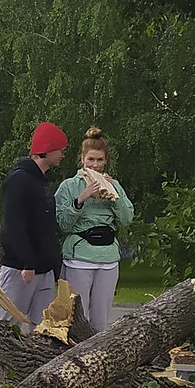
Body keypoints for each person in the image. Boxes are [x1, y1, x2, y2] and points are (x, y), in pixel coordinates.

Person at [54, 126, 134, 331]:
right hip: (79, 256)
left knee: (100, 317)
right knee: (78, 315)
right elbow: (62, 223)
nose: (95, 165)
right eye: (91, 160)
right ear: (82, 159)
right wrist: (82, 198)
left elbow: (126, 220)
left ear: (106, 160)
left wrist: (114, 195)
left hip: (108, 258)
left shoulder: (114, 184)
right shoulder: (69, 186)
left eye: (100, 160)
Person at [0, 121, 68, 329]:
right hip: (22, 268)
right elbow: (15, 224)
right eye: (60, 149)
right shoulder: (19, 180)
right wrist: (27, 262)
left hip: (44, 269)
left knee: (42, 327)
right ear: (47, 150)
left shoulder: (41, 182)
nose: (63, 154)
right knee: (9, 324)